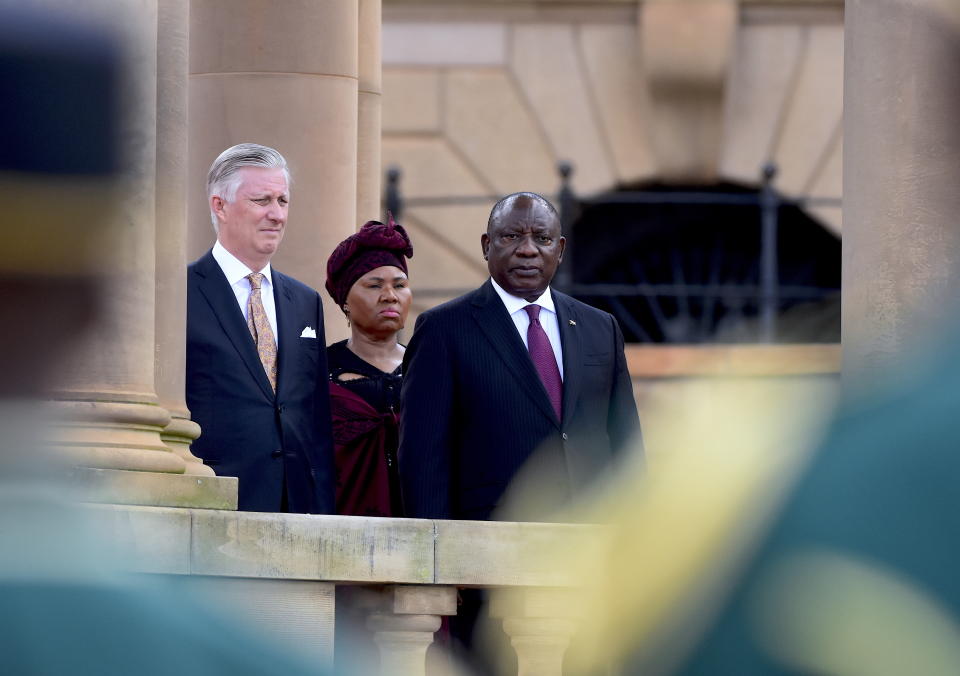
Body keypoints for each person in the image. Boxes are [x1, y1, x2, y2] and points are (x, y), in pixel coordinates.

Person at [399, 191, 643, 522]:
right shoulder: (443, 329)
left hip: (592, 539)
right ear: (487, 246)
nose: (527, 249)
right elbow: (423, 458)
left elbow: (626, 444)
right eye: (511, 236)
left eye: (542, 238)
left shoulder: (600, 327)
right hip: (491, 541)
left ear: (559, 250)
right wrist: (435, 557)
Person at [186, 143, 334, 514]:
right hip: (211, 508)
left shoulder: (305, 301)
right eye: (261, 200)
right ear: (219, 205)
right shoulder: (178, 294)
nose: (277, 214)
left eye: (283, 201)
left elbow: (316, 420)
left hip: (298, 511)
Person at [324, 216, 413, 517]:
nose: (390, 296)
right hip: (337, 532)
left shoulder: (430, 366)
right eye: (374, 285)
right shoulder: (320, 370)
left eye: (399, 285)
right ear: (345, 299)